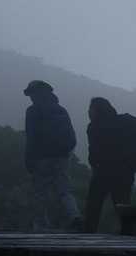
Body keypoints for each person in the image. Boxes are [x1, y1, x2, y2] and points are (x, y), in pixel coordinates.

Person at [23, 80, 82, 231]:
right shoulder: (61, 110)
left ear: (36, 93)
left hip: (42, 158)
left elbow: (31, 137)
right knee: (64, 190)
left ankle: (40, 225)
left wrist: (28, 159)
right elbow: (72, 136)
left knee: (39, 192)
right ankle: (74, 215)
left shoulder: (33, 111)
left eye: (31, 94)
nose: (30, 97)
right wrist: (66, 154)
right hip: (62, 157)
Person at [85, 96, 136, 231]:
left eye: (91, 109)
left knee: (94, 205)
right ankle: (128, 234)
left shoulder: (94, 127)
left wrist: (95, 164)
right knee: (122, 205)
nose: (88, 112)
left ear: (97, 110)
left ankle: (88, 232)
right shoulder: (125, 121)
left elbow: (94, 153)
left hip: (103, 172)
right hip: (125, 172)